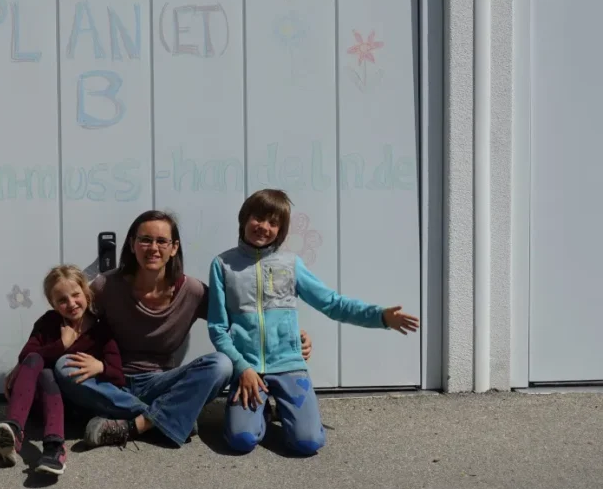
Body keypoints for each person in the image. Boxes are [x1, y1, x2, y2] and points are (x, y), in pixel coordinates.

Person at [54, 210, 314, 449]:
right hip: (112, 378)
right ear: (132, 244)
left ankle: (137, 425)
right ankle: (172, 416)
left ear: (174, 248)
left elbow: (242, 320)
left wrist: (288, 337)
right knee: (64, 366)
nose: (153, 248)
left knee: (221, 365)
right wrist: (44, 357)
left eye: (162, 241)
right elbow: (72, 320)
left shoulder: (192, 291)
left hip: (162, 382)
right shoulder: (106, 285)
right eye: (145, 240)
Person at [207, 189, 420, 455]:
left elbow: (332, 303)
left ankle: (282, 408)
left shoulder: (290, 264)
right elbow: (217, 328)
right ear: (244, 218)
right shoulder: (223, 264)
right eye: (258, 218)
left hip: (289, 365)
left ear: (281, 230)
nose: (264, 227)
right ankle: (260, 413)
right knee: (241, 440)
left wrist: (380, 316)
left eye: (273, 222)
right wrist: (242, 368)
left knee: (308, 443)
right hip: (248, 369)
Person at [0, 264, 125, 476]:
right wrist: (61, 345)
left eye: (76, 295)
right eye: (62, 300)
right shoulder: (49, 322)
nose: (71, 303)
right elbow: (27, 358)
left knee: (47, 370)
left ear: (86, 292)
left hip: (78, 406)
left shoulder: (101, 330)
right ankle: (15, 429)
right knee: (42, 369)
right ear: (53, 304)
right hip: (42, 403)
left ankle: (53, 446)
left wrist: (100, 367)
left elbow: (119, 376)